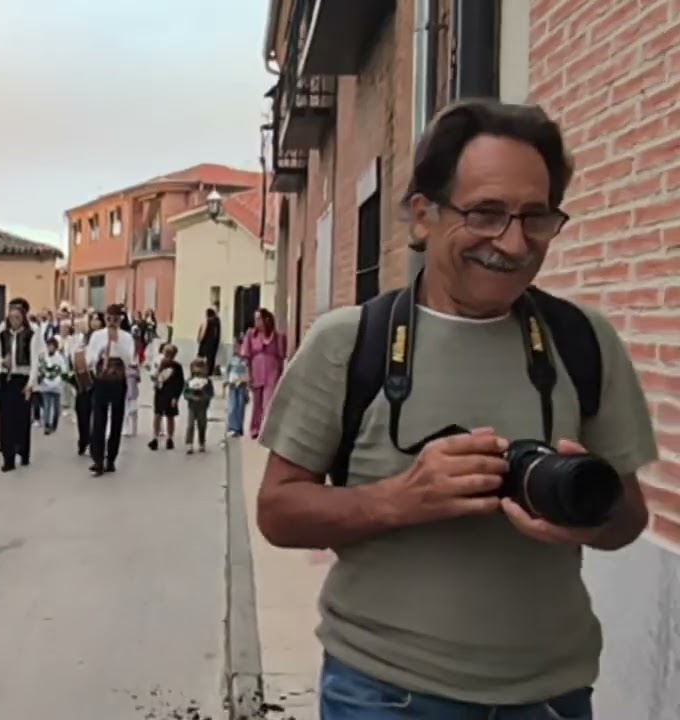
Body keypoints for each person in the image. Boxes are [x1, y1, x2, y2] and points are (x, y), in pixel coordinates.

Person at [257, 99, 656, 719]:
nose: (514, 242)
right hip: (387, 695)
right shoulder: (348, 343)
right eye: (487, 214)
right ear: (423, 216)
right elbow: (278, 511)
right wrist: (397, 500)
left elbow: (630, 517)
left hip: (552, 695)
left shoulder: (582, 340)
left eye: (535, 218)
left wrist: (586, 518)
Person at [84, 304, 136, 476]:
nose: (111, 322)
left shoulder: (127, 337)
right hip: (101, 379)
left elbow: (130, 360)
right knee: (98, 419)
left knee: (116, 419)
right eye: (109, 319)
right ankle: (97, 458)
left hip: (118, 379)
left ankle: (111, 458)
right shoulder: (97, 336)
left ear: (120, 320)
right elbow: (90, 359)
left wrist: (116, 344)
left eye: (115, 319)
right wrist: (101, 349)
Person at [0, 298, 44, 472]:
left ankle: (23, 451)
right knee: (6, 419)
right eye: (11, 317)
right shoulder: (2, 333)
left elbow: (35, 361)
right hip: (7, 378)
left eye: (17, 317)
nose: (14, 320)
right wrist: (1, 362)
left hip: (22, 379)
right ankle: (8, 458)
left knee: (21, 419)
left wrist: (31, 384)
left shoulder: (31, 334)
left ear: (23, 317)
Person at [242, 308, 286, 439]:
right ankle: (254, 428)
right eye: (255, 319)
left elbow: (281, 356)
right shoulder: (251, 334)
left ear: (266, 320)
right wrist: (248, 374)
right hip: (256, 371)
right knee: (256, 403)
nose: (256, 322)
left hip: (272, 371)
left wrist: (281, 373)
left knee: (268, 402)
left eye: (258, 319)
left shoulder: (277, 336)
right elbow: (246, 357)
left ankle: (266, 430)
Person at [73, 311, 104, 456]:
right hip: (83, 378)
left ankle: (95, 443)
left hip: (100, 380)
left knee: (97, 414)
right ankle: (83, 439)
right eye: (92, 319)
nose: (95, 322)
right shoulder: (84, 338)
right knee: (82, 410)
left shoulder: (106, 338)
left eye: (98, 320)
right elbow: (77, 354)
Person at [147, 344, 184, 451]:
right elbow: (154, 376)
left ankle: (170, 438)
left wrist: (176, 397)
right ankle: (155, 438)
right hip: (160, 392)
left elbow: (180, 383)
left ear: (174, 355)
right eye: (166, 353)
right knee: (158, 414)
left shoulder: (177, 367)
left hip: (171, 394)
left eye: (170, 354)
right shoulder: (160, 364)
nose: (167, 355)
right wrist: (154, 372)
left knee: (170, 416)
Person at [182, 358, 214, 454]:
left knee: (202, 424)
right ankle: (189, 443)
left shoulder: (207, 381)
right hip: (192, 406)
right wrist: (191, 397)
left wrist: (204, 397)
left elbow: (211, 394)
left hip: (203, 407)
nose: (199, 371)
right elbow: (185, 393)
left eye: (201, 368)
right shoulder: (190, 381)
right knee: (190, 425)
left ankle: (201, 442)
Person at [36, 337, 67, 434]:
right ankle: (47, 425)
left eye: (52, 346)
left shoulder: (60, 358)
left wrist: (58, 379)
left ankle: (54, 424)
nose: (50, 348)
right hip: (45, 386)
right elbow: (40, 369)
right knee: (47, 406)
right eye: (48, 346)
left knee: (56, 408)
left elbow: (63, 370)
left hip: (56, 386)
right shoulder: (43, 357)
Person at [224, 346, 250, 438]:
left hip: (242, 385)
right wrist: (226, 381)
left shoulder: (246, 361)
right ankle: (232, 427)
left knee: (240, 407)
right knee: (232, 406)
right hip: (233, 385)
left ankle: (239, 428)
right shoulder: (232, 360)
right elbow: (227, 371)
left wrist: (248, 384)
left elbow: (249, 372)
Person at [197, 307, 221, 376]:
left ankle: (201, 371)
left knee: (202, 357)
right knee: (211, 358)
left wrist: (200, 339)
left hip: (206, 343)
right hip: (214, 344)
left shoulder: (207, 321)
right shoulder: (217, 321)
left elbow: (203, 331)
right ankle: (209, 372)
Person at [122, 362, 141, 438]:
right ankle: (132, 430)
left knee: (126, 412)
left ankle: (126, 430)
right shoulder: (135, 373)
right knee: (132, 412)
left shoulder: (123, 372)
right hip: (132, 394)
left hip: (125, 393)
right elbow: (139, 380)